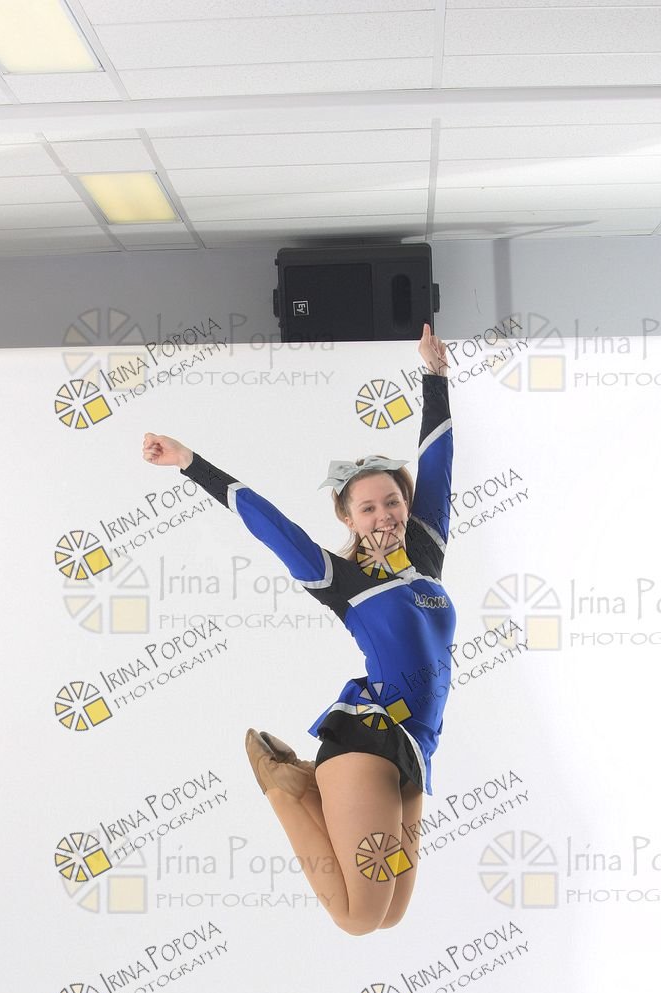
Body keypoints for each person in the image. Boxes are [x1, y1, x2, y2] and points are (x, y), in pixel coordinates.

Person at [142, 323, 454, 935]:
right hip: (367, 740)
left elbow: (438, 460)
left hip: (417, 747)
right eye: (367, 507)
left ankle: (305, 785)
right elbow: (271, 525)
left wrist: (434, 376)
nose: (384, 514)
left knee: (392, 916)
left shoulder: (427, 554)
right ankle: (287, 787)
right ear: (349, 518)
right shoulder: (341, 579)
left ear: (406, 503)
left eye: (392, 501)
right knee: (358, 917)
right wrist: (190, 464)